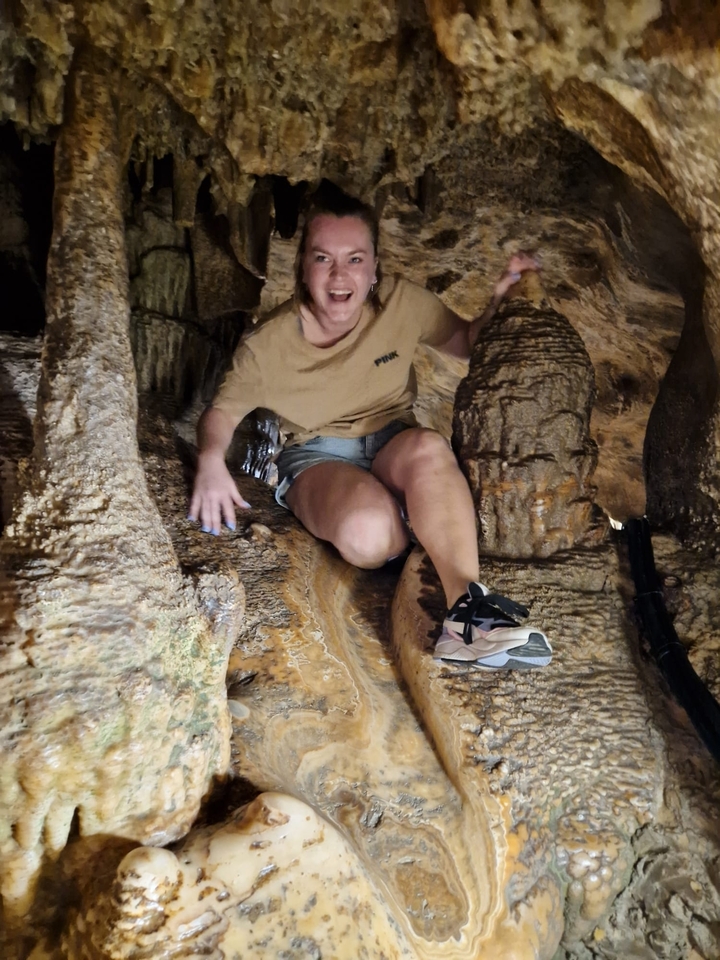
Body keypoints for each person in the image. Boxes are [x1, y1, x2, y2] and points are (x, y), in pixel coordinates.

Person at [189, 187, 551, 669]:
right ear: (303, 268)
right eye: (323, 258)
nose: (340, 275)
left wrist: (499, 304)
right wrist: (212, 459)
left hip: (392, 442)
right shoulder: (268, 345)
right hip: (317, 457)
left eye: (354, 259)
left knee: (427, 445)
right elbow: (221, 413)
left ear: (374, 268)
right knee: (368, 531)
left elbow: (466, 341)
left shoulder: (402, 305)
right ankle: (419, 522)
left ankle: (470, 616)